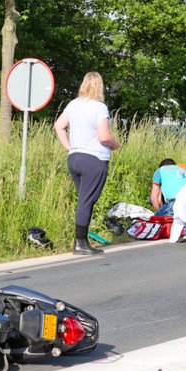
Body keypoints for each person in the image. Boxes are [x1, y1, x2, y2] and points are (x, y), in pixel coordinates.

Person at [54, 71, 120, 255]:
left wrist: (69, 146)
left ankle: (81, 240)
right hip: (94, 159)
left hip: (74, 158)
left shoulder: (73, 105)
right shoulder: (99, 107)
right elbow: (104, 136)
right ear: (99, 86)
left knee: (84, 199)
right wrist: (115, 144)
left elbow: (58, 126)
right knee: (87, 200)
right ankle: (80, 242)